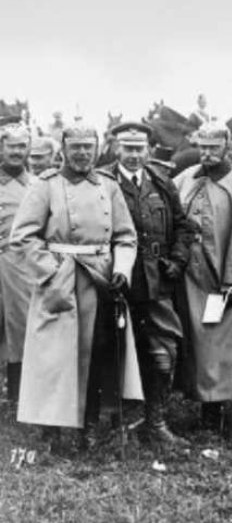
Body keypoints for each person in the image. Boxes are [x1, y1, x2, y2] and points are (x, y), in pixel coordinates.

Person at [11, 122, 141, 450]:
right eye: (76, 147)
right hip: (60, 281)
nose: (82, 153)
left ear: (97, 148)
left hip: (100, 279)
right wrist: (51, 273)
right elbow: (23, 236)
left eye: (88, 146)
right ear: (63, 149)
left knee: (97, 353)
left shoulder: (108, 185)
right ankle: (51, 430)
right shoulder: (46, 185)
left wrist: (122, 268)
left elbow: (126, 236)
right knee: (54, 357)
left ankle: (89, 426)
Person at [174, 123, 232, 432]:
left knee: (218, 344)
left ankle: (214, 412)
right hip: (189, 276)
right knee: (195, 344)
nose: (208, 153)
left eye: (214, 147)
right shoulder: (187, 178)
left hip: (221, 278)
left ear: (227, 147)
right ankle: (197, 400)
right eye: (203, 146)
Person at [105, 122, 193, 447]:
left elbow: (184, 226)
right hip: (117, 282)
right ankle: (119, 425)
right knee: (115, 353)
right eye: (127, 148)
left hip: (157, 281)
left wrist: (177, 261)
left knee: (164, 350)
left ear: (149, 149)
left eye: (140, 148)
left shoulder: (161, 181)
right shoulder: (103, 182)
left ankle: (156, 423)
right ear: (116, 148)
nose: (133, 155)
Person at [0, 125, 35, 409]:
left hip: (20, 265)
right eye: (10, 146)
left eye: (21, 146)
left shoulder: (36, 186)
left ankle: (17, 395)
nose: (16, 152)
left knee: (20, 326)